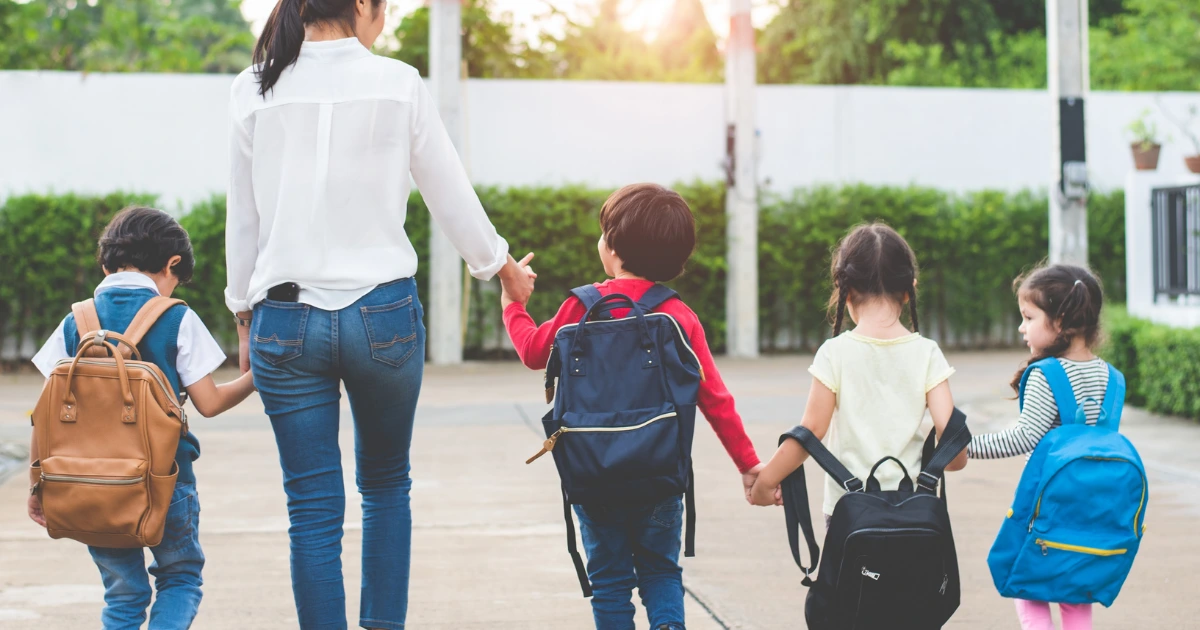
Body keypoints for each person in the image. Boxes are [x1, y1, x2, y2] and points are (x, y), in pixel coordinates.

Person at [226, 0, 535, 627]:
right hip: (383, 316)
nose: (385, 20)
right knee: (387, 486)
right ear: (362, 5)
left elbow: (244, 216)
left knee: (311, 505)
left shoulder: (253, 87)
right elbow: (449, 191)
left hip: (284, 319)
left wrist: (242, 316)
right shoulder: (398, 82)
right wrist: (500, 268)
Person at [502, 183, 763, 630]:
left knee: (608, 581)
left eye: (604, 232)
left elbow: (532, 352)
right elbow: (715, 398)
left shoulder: (580, 307)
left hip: (592, 472)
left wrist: (513, 303)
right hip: (659, 474)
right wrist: (749, 464)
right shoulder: (678, 316)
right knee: (662, 573)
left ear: (614, 248)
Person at [28, 206, 256, 629]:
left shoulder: (75, 321)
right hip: (166, 482)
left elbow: (45, 416)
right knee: (180, 577)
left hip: (90, 489)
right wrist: (256, 376)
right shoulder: (177, 318)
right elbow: (209, 403)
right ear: (173, 264)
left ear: (105, 264)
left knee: (124, 592)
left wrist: (37, 484)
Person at [750, 223, 968, 520]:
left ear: (845, 290)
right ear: (909, 291)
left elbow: (811, 431)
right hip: (913, 513)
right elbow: (953, 444)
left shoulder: (835, 353)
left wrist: (765, 482)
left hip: (849, 513)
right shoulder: (927, 352)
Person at [968, 264, 1111, 630]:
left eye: (1029, 317)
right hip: (1094, 504)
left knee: (1026, 582)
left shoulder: (1048, 376)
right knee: (1076, 590)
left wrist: (963, 446)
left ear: (1060, 321)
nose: (1021, 327)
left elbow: (1023, 437)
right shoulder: (1111, 377)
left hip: (1048, 505)